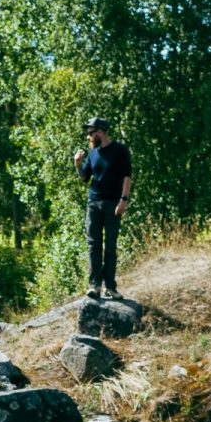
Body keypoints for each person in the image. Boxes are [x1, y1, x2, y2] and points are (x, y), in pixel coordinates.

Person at [78, 117, 132, 298]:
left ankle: (110, 287)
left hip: (113, 204)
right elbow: (85, 178)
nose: (88, 136)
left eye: (90, 133)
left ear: (100, 132)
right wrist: (77, 164)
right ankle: (95, 286)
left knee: (110, 246)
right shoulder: (92, 154)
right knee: (93, 245)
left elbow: (127, 176)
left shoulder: (120, 150)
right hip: (93, 204)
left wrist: (123, 200)